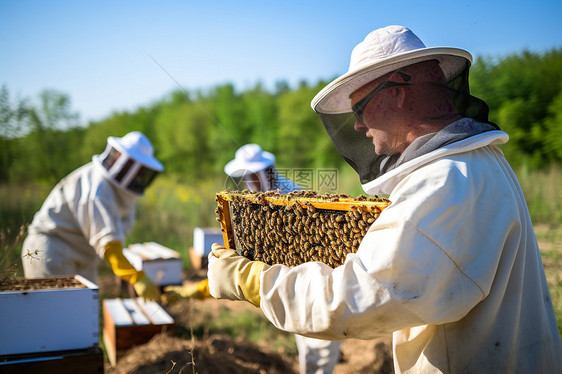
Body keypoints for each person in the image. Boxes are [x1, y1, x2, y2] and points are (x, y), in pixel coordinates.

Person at [206, 25, 562, 373]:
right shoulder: (478, 163)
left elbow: (355, 298)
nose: (358, 126)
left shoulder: (444, 182)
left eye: (359, 109)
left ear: (396, 93)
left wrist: (250, 279)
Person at [166, 143, 342, 374]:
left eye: (252, 177)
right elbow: (244, 266)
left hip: (315, 284)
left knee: (321, 347)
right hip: (292, 284)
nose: (249, 183)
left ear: (267, 172)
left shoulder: (292, 199)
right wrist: (200, 290)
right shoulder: (259, 207)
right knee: (305, 345)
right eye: (245, 178)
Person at [22, 131, 163, 301]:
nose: (139, 175)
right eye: (138, 169)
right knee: (56, 315)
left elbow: (119, 234)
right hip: (52, 253)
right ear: (119, 158)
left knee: (85, 312)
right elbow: (109, 244)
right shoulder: (97, 189)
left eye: (142, 171)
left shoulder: (121, 192)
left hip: (84, 255)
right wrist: (136, 277)